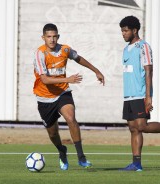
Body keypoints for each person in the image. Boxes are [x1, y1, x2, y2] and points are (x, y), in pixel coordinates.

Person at [33, 23, 105, 170]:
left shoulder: (65, 49)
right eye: (49, 37)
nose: (52, 40)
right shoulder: (40, 54)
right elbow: (45, 79)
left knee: (71, 118)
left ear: (58, 37)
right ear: (43, 38)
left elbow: (78, 58)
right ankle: (62, 150)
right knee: (53, 133)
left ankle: (81, 157)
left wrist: (96, 70)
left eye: (54, 36)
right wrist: (67, 79)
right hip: (44, 98)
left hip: (62, 93)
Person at [119, 15, 160, 171]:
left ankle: (136, 164)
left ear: (134, 30)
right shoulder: (125, 49)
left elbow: (148, 70)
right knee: (133, 128)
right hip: (128, 95)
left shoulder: (143, 46)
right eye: (122, 31)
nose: (123, 34)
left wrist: (148, 96)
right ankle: (136, 164)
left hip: (140, 94)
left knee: (141, 126)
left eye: (125, 31)